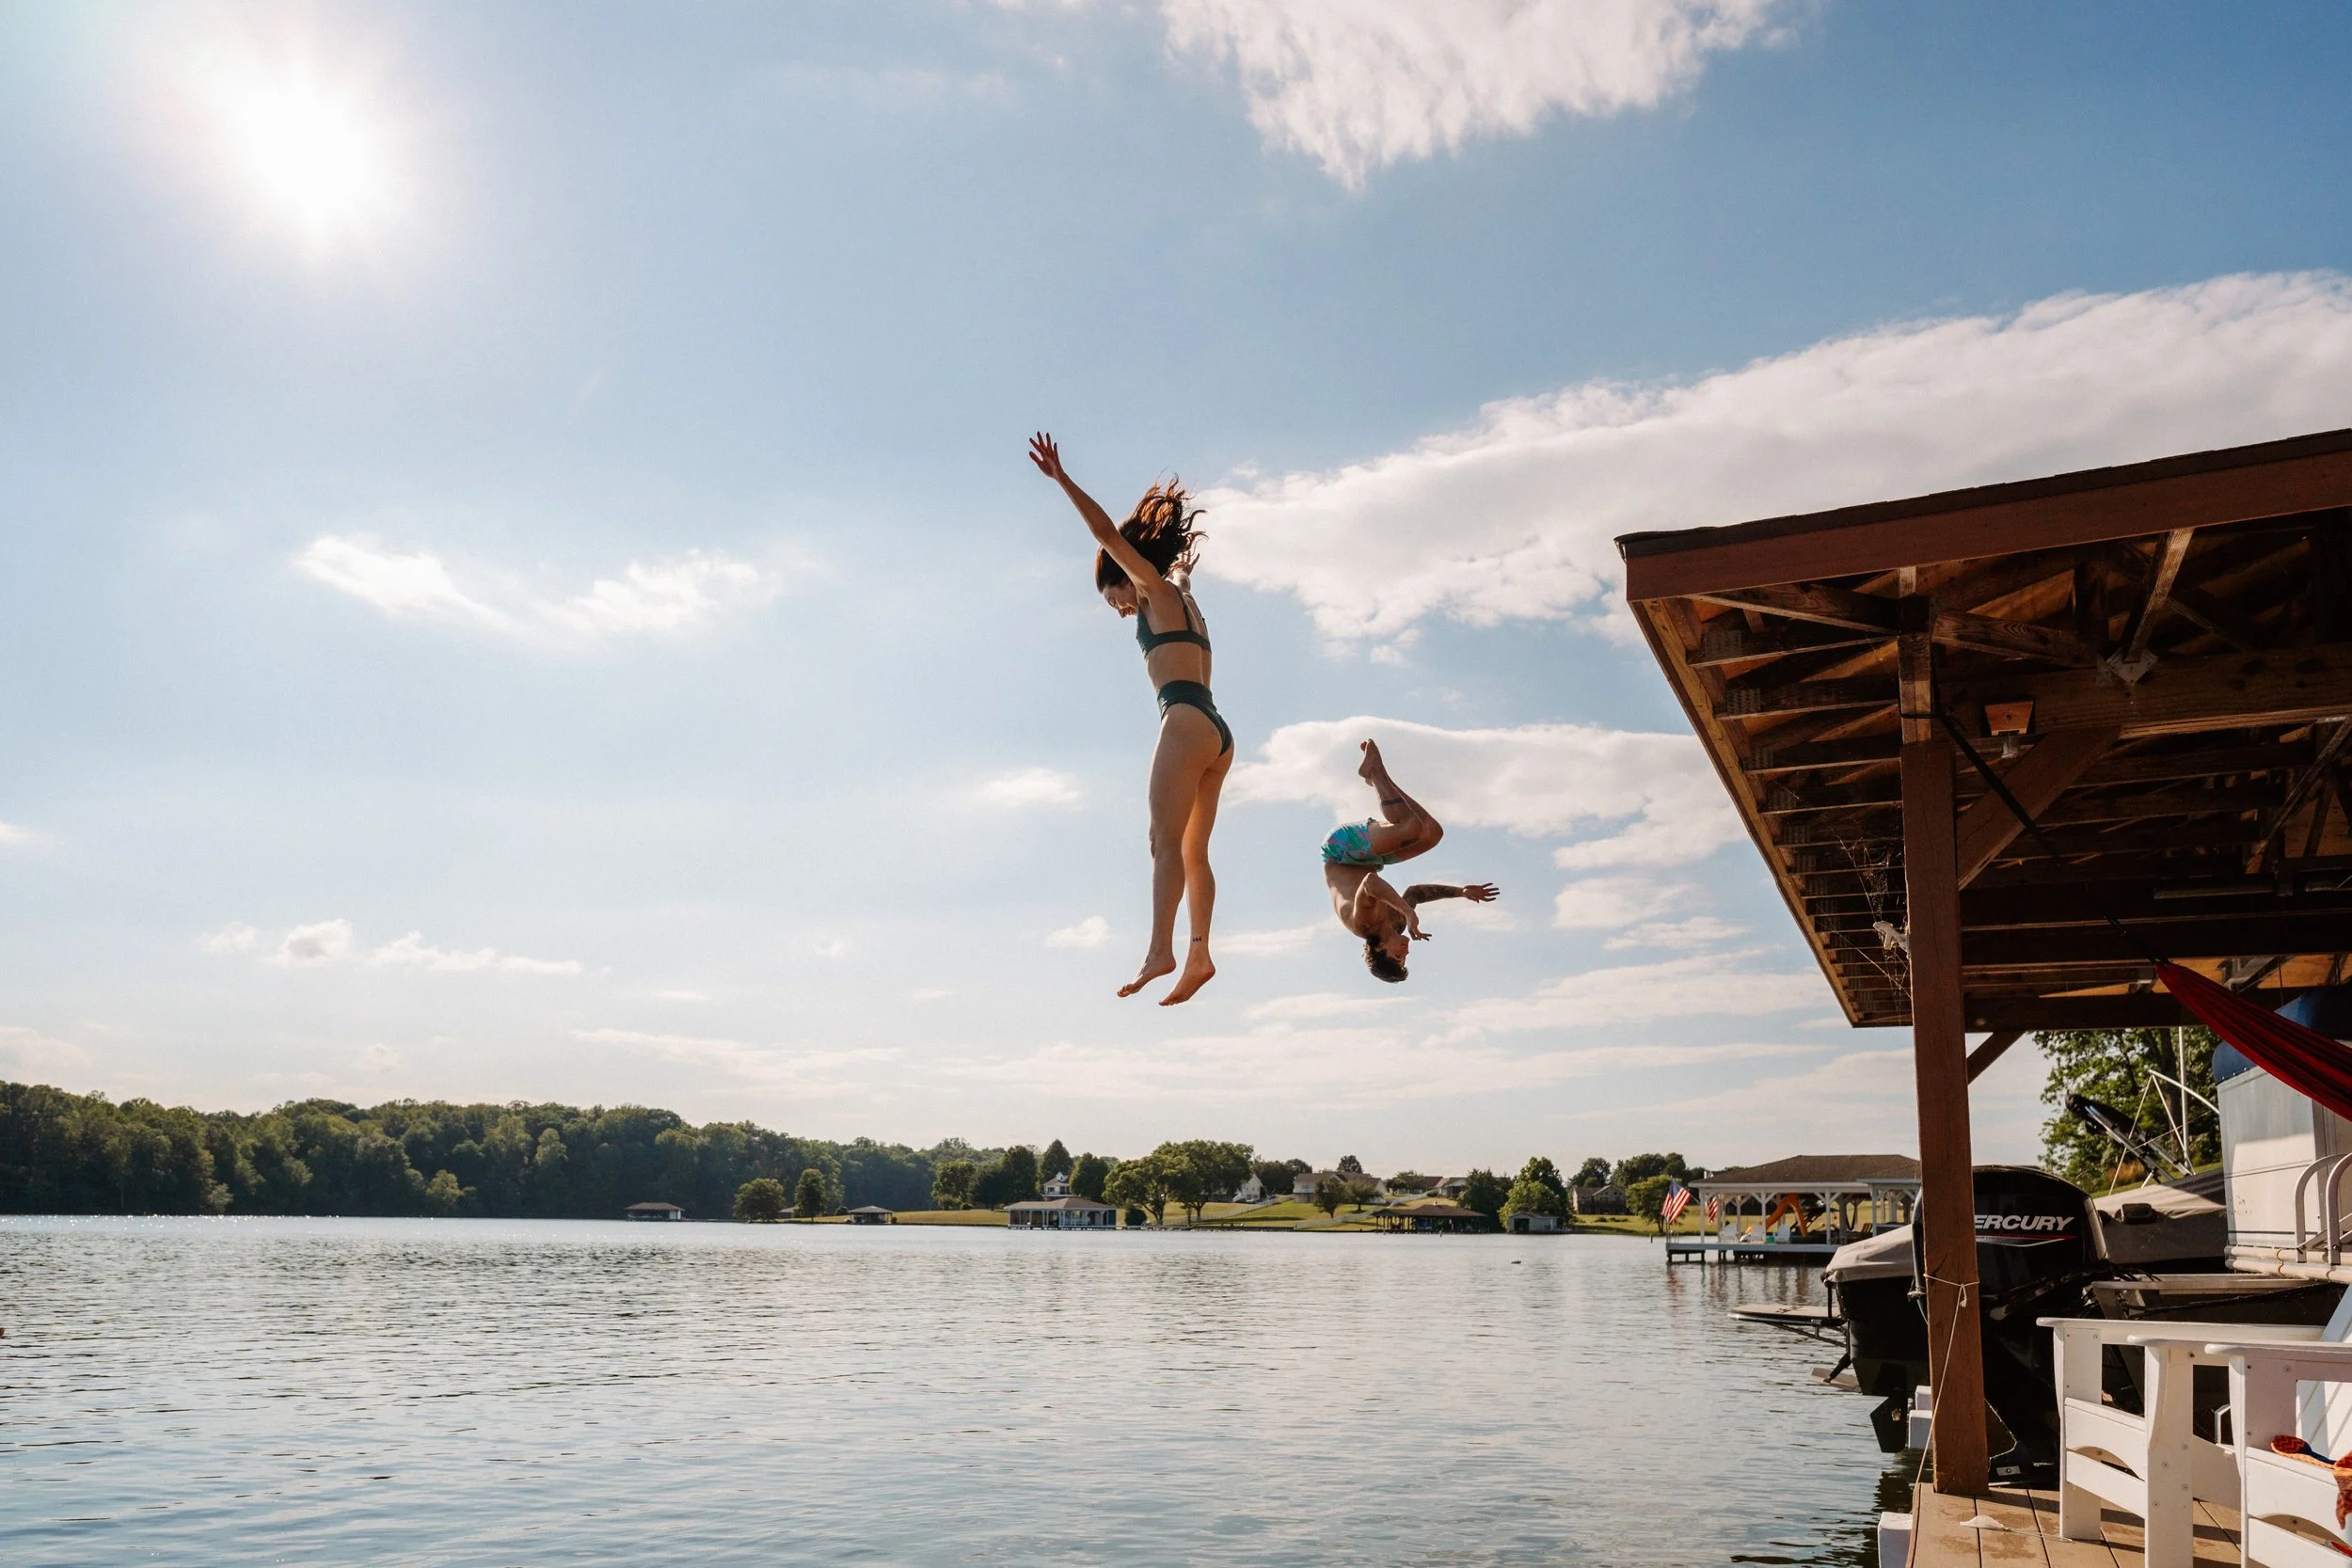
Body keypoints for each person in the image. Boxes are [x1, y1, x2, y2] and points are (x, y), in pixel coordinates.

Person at [1029, 432, 1231, 1005]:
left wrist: (1062, 481)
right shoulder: (1182, 598)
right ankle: (1198, 955)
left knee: (1162, 842)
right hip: (1218, 732)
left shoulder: (1151, 591)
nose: (1119, 610)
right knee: (1194, 852)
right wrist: (1186, 569)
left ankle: (1159, 952)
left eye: (1112, 596)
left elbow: (1105, 534)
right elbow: (1183, 579)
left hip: (1186, 720)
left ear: (1125, 576)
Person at [1323, 739, 1499, 983]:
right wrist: (1460, 891)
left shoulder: (1363, 924)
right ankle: (1378, 776)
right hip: (1368, 858)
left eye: (1397, 957)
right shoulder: (1395, 925)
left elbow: (1370, 883)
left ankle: (1374, 772)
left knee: (1410, 827)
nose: (1405, 953)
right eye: (1405, 959)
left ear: (1379, 949)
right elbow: (1416, 893)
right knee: (1431, 832)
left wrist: (1408, 913)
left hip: (1341, 851)